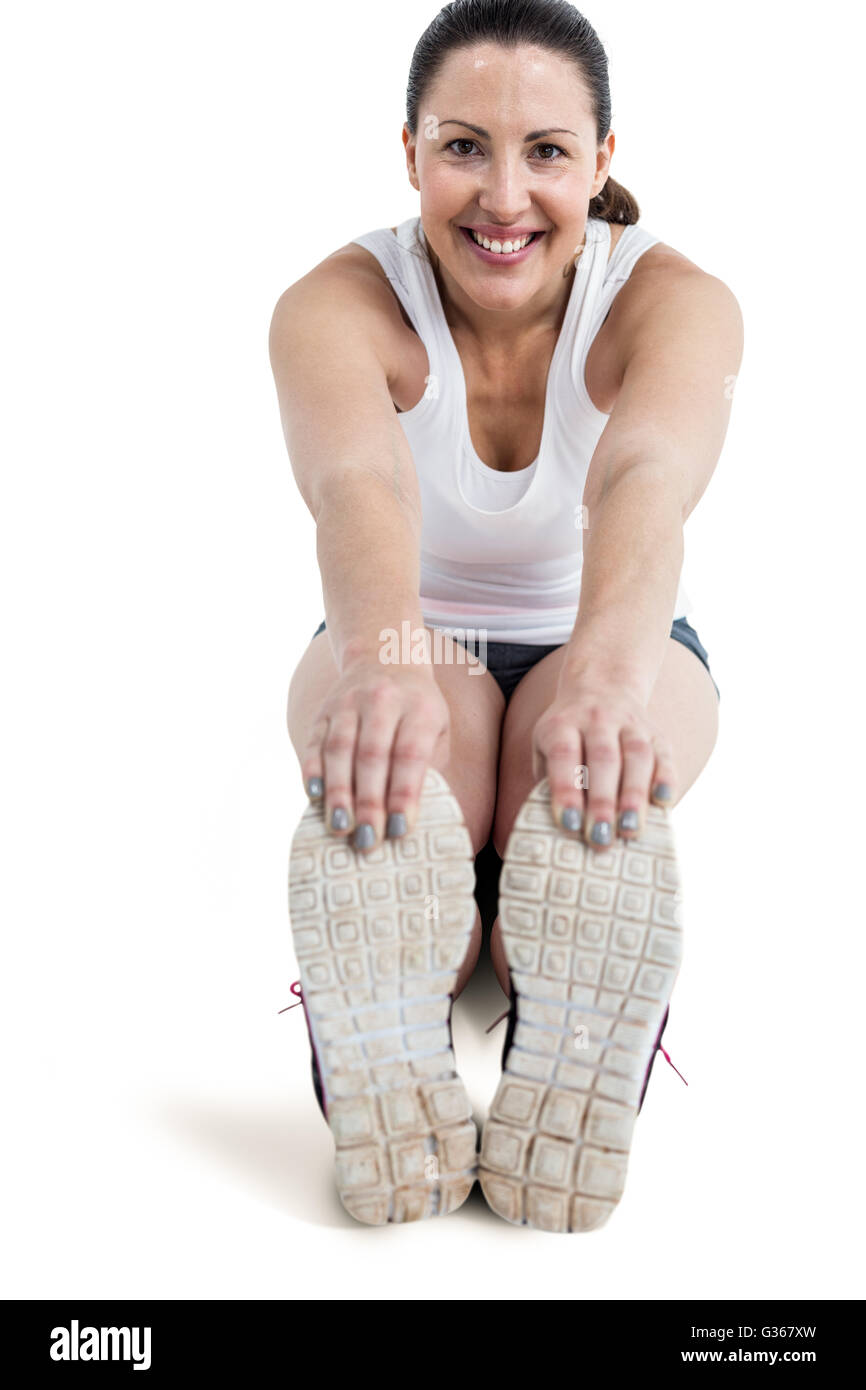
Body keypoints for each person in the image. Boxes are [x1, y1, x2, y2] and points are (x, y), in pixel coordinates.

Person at [270, 0, 743, 1230]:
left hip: (615, 629)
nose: (502, 195)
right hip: (404, 628)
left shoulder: (673, 304)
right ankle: (437, 989)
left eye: (545, 151)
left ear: (601, 160)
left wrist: (606, 676)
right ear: (410, 154)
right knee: (422, 771)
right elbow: (355, 487)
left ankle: (521, 984)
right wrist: (380, 665)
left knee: (574, 786)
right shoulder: (332, 305)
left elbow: (646, 477)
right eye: (463, 145)